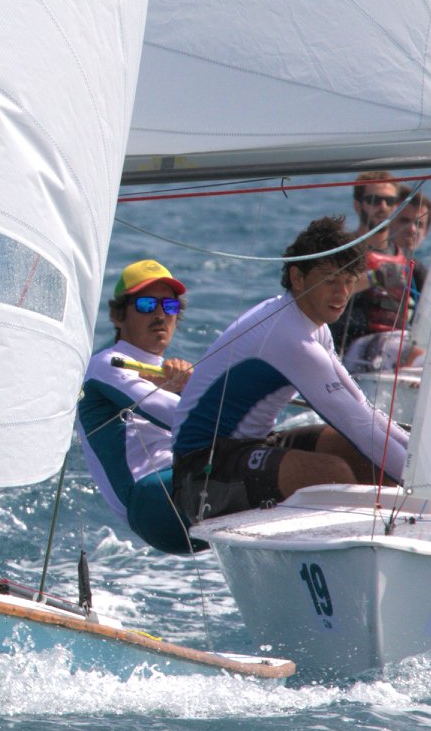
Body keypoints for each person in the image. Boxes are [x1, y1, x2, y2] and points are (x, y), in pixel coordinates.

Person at [169, 217, 410, 525]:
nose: (342, 293)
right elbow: (359, 427)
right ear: (298, 277)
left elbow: (362, 409)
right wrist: (430, 489)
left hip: (251, 444)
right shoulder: (289, 338)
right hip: (201, 470)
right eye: (330, 280)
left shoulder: (309, 324)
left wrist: (416, 455)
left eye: (349, 281)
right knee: (333, 472)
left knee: (353, 452)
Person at [75, 260, 199, 554]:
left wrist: (187, 387)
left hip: (185, 482)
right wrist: (190, 391)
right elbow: (181, 418)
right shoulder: (105, 365)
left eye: (169, 306)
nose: (159, 314)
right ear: (118, 316)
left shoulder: (171, 378)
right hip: (152, 503)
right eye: (146, 304)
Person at [341, 191, 431, 372]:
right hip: (355, 350)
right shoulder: (354, 255)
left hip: (399, 348)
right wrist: (375, 277)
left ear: (427, 231)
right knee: (423, 358)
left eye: (419, 224)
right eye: (404, 221)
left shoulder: (418, 272)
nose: (412, 229)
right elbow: (331, 289)